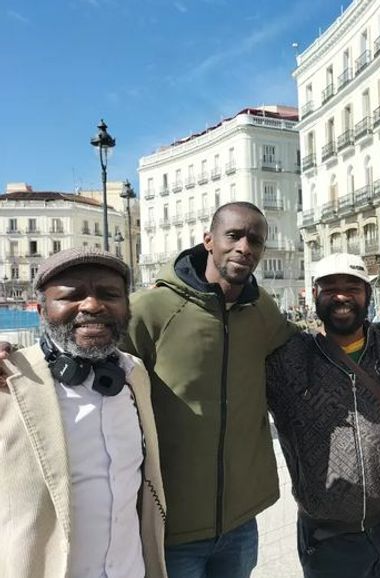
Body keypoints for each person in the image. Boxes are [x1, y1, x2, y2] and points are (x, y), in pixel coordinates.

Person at [123, 202, 297, 578]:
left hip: (239, 523)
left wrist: (374, 335)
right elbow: (90, 362)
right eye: (233, 235)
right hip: (173, 525)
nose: (244, 247)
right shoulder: (150, 309)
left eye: (255, 240)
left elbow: (301, 346)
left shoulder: (260, 308)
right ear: (209, 241)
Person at [266, 253, 380, 578]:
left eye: (352, 287)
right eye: (330, 287)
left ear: (367, 292)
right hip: (327, 539)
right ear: (314, 294)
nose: (341, 296)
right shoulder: (287, 360)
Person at [0, 248, 167, 577]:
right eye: (72, 295)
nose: (93, 305)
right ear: (42, 308)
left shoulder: (134, 373)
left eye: (109, 294)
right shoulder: (8, 379)